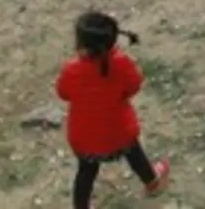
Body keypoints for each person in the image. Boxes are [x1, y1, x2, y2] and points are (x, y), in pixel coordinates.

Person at [54, 11, 170, 206]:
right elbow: (134, 85)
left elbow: (63, 93)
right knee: (135, 155)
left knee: (86, 173)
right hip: (120, 133)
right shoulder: (122, 64)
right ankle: (152, 183)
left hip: (85, 139)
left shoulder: (72, 70)